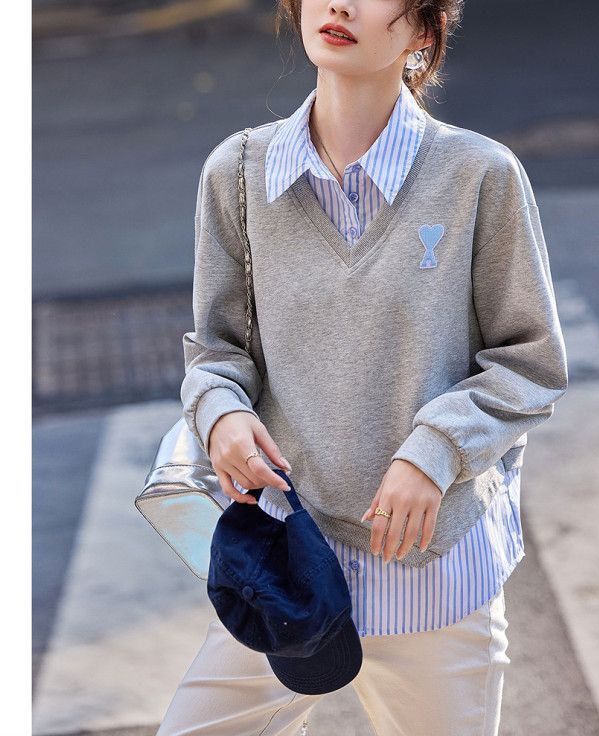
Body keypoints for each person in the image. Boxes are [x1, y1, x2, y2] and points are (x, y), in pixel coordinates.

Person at [157, 0, 568, 733]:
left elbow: (530, 361)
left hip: (432, 584)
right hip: (286, 570)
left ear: (422, 32)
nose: (340, 4)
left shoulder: (478, 175)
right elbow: (217, 352)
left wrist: (436, 450)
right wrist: (221, 415)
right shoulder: (239, 175)